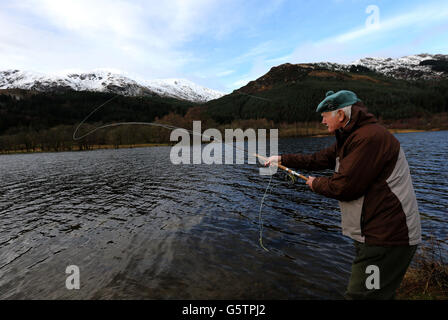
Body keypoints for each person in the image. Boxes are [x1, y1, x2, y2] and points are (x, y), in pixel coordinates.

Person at [264, 90, 421, 299]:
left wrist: (315, 184)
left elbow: (343, 187)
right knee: (375, 295)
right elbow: (317, 159)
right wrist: (282, 158)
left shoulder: (369, 138)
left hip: (387, 237)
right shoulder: (350, 138)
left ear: (340, 114)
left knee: (362, 296)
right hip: (375, 235)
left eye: (324, 115)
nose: (321, 121)